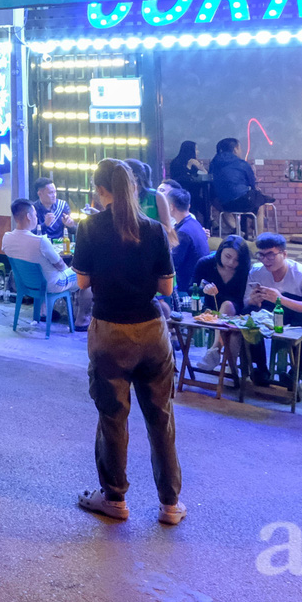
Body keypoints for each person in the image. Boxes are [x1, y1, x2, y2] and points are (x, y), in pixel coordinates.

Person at [73, 159, 184, 522]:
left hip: (109, 332)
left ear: (99, 189)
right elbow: (166, 287)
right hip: (151, 330)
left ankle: (115, 499)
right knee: (160, 417)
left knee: (112, 417)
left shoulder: (89, 228)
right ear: (134, 187)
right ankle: (170, 504)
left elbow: (82, 283)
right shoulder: (153, 229)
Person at [244, 234, 302, 389]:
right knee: (248, 316)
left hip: (300, 317)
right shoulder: (256, 272)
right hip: (271, 315)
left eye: (270, 255)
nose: (265, 260)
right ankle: (260, 369)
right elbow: (246, 301)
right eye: (261, 255)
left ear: (284, 254)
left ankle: (294, 374)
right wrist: (252, 300)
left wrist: (281, 299)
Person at [1, 199, 77, 295]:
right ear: (29, 216)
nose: (36, 218)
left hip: (25, 283)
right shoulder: (40, 241)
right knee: (82, 276)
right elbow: (60, 265)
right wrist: (69, 272)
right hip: (51, 284)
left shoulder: (6, 238)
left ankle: (51, 305)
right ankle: (79, 308)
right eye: (35, 215)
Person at [158, 184, 209, 300]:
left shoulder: (183, 233)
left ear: (171, 207)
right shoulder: (194, 223)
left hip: (186, 289)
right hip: (197, 283)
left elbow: (172, 264)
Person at [191, 236, 251, 315]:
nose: (231, 262)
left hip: (236, 312)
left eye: (237, 260)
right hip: (209, 308)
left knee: (227, 305)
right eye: (227, 256)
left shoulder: (244, 269)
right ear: (220, 251)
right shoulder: (206, 263)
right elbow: (190, 289)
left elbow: (244, 300)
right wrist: (203, 290)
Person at [207, 137, 258, 220]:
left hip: (223, 201)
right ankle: (258, 230)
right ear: (235, 149)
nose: (241, 151)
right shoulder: (242, 163)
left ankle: (236, 230)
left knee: (223, 206)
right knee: (260, 205)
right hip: (244, 200)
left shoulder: (213, 163)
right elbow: (251, 182)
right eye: (240, 148)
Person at [165, 142, 210, 222]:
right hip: (181, 193)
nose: (198, 152)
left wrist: (200, 168)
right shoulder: (176, 163)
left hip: (194, 192)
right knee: (200, 203)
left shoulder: (194, 163)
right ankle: (210, 222)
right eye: (196, 149)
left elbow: (205, 176)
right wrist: (188, 166)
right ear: (190, 150)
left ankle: (209, 223)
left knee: (205, 203)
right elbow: (180, 179)